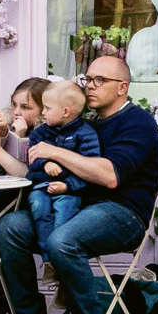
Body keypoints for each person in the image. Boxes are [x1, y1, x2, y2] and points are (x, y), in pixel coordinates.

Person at [0, 55, 158, 314]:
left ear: (122, 87)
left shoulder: (137, 122)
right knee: (9, 227)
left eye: (100, 81)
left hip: (122, 213)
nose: (90, 86)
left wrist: (54, 152)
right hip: (74, 207)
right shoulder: (86, 125)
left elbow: (110, 175)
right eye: (88, 79)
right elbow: (44, 165)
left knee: (62, 240)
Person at [21, 80, 101, 241]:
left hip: (70, 191)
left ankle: (57, 252)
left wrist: (67, 185)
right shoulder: (40, 134)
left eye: (47, 108)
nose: (43, 112)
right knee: (38, 206)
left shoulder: (86, 134)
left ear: (66, 112)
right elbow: (32, 160)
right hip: (41, 187)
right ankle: (48, 257)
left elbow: (90, 169)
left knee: (64, 210)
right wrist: (46, 163)